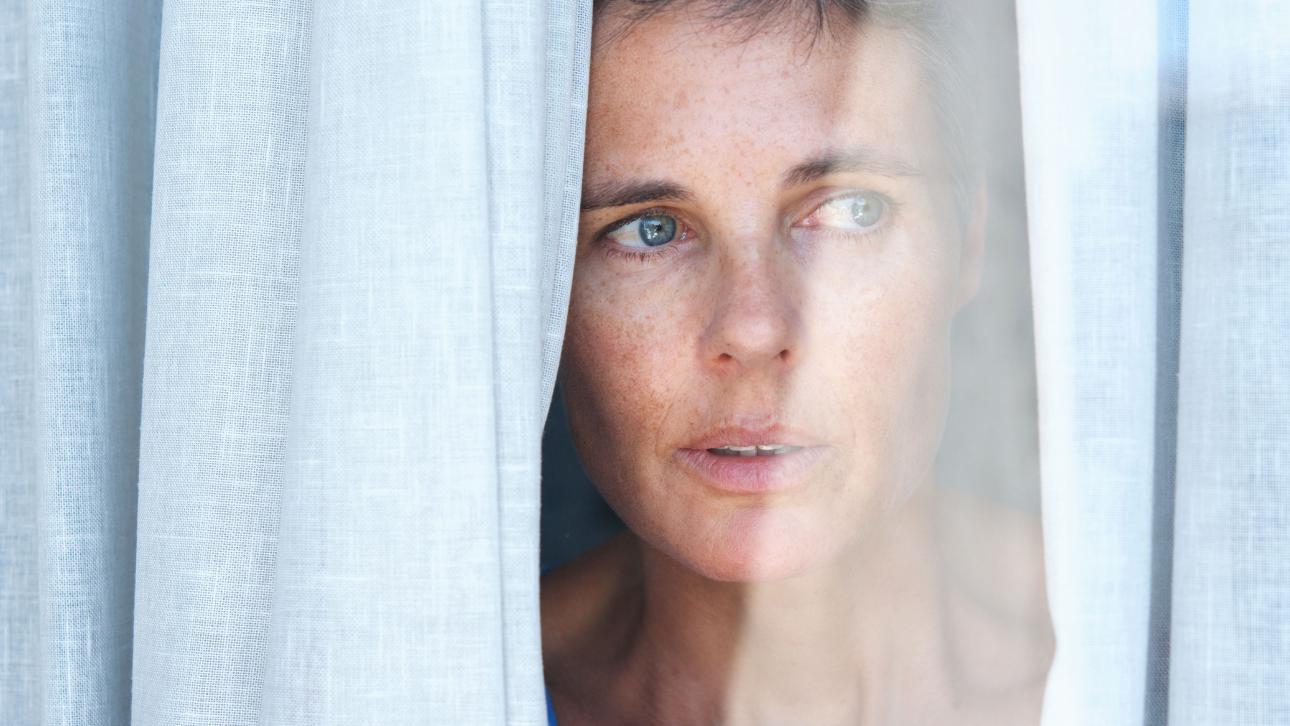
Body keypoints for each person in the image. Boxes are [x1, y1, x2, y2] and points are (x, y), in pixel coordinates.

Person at [541, 1, 1053, 723]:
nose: (753, 328)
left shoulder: (1174, 657)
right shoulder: (434, 685)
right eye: (649, 231)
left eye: (850, 210)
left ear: (967, 243)